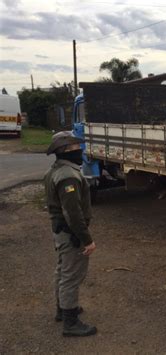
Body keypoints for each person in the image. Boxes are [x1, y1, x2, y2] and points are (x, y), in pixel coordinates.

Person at [44, 131, 97, 337]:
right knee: (71, 276)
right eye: (75, 146)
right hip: (70, 233)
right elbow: (73, 213)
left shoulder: (57, 170)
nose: (79, 149)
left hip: (61, 231)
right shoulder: (68, 176)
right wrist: (87, 239)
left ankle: (62, 309)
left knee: (62, 271)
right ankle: (70, 322)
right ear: (64, 151)